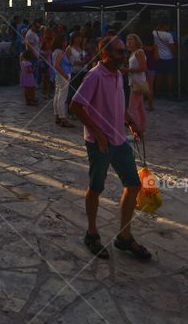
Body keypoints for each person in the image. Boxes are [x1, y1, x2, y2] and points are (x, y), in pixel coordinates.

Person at [71, 36, 151, 261]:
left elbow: (115, 106)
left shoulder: (117, 75)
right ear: (104, 53)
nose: (124, 55)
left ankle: (124, 236)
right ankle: (92, 233)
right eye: (119, 52)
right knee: (96, 188)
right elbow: (76, 106)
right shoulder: (94, 76)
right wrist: (97, 133)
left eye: (125, 51)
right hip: (100, 143)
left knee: (133, 184)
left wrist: (131, 122)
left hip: (119, 139)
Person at [122, 34, 148, 135]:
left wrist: (128, 70)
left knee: (132, 108)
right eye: (128, 40)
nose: (129, 41)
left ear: (136, 41)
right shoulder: (133, 53)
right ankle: (142, 129)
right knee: (140, 108)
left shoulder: (139, 52)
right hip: (134, 81)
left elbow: (143, 68)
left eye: (131, 39)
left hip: (138, 82)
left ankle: (135, 132)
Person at [51, 33, 73, 128]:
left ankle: (57, 115)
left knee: (57, 96)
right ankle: (63, 118)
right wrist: (64, 74)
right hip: (63, 76)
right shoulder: (60, 52)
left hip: (58, 76)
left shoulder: (55, 51)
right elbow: (56, 65)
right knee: (62, 98)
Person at [152, 22, 176, 99]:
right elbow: (172, 47)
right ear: (165, 26)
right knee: (170, 76)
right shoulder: (169, 35)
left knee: (159, 76)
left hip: (159, 57)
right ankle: (170, 93)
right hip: (169, 57)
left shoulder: (154, 33)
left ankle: (158, 92)